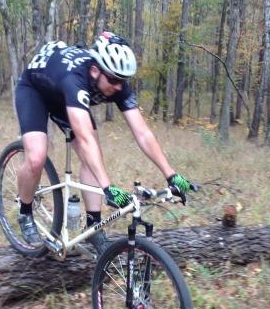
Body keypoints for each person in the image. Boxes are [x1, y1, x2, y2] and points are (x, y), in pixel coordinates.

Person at [14, 31, 195, 254]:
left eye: (123, 81)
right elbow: (84, 137)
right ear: (95, 70)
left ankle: (93, 227)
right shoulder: (75, 79)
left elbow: (143, 133)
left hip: (66, 98)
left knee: (92, 157)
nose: (119, 86)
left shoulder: (115, 81)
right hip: (36, 89)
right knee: (36, 158)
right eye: (114, 80)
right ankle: (24, 211)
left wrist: (171, 174)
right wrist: (107, 188)